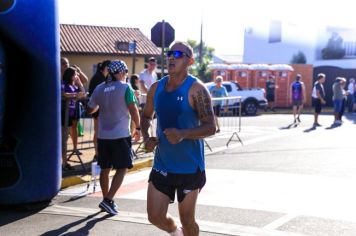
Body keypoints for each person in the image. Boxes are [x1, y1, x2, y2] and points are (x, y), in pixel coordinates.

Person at [141, 41, 216, 236]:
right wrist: (147, 136)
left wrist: (182, 134)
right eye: (169, 53)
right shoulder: (156, 88)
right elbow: (146, 116)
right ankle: (175, 232)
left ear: (190, 61)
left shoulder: (197, 90)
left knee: (188, 221)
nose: (171, 57)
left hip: (190, 167)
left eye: (178, 54)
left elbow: (211, 126)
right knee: (154, 216)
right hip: (163, 164)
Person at [87, 60, 141, 216]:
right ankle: (108, 200)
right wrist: (138, 127)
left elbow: (90, 109)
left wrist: (100, 103)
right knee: (122, 168)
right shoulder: (125, 87)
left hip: (103, 136)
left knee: (105, 168)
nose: (126, 75)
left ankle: (107, 201)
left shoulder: (99, 88)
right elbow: (133, 109)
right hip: (120, 134)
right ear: (119, 73)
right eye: (125, 72)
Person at [61, 57, 89, 156]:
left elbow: (84, 83)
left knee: (73, 128)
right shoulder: (61, 79)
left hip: (72, 109)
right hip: (64, 111)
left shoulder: (73, 77)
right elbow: (63, 94)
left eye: (67, 63)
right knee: (63, 137)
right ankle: (62, 161)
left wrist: (79, 73)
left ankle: (74, 149)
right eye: (63, 63)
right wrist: (75, 95)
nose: (66, 65)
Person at [88, 60, 111, 160]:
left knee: (100, 132)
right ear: (104, 67)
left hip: (101, 109)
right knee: (98, 132)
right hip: (97, 109)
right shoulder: (98, 78)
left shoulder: (103, 77)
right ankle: (97, 154)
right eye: (109, 67)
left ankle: (99, 153)